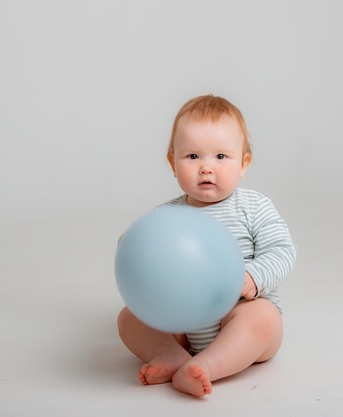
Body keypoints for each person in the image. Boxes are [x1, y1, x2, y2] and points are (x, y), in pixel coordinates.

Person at [117, 94, 297, 397]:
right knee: (128, 318)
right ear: (172, 162)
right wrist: (133, 245)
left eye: (221, 157)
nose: (206, 168)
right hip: (182, 323)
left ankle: (206, 366)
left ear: (244, 163)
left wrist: (252, 277)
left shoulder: (253, 207)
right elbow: (140, 249)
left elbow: (282, 249)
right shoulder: (165, 217)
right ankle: (170, 354)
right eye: (192, 157)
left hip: (238, 310)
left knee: (263, 319)